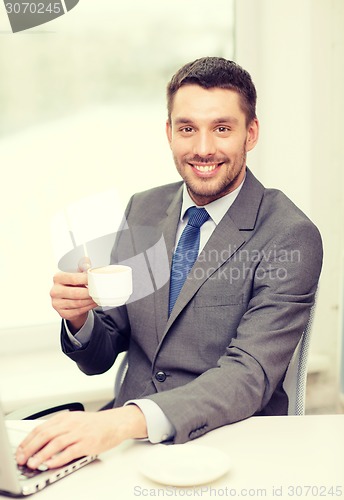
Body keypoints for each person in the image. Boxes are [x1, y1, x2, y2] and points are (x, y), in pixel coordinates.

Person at [16, 57, 322, 470]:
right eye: (187, 128)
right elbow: (104, 350)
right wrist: (79, 320)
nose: (202, 149)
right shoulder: (143, 209)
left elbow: (248, 375)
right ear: (169, 133)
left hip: (230, 445)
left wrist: (122, 422)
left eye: (222, 128)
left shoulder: (289, 234)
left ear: (251, 134)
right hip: (127, 443)